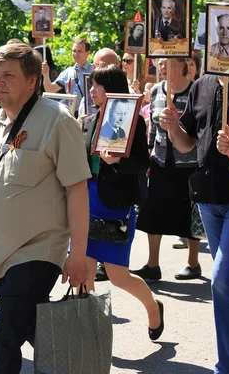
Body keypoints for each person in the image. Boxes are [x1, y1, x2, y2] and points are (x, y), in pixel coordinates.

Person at [0, 42, 90, 373]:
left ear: (32, 81)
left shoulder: (57, 121)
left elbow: (77, 189)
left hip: (39, 251)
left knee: (1, 336)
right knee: (35, 329)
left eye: (8, 75)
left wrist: (79, 253)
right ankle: (77, 365)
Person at [160, 70, 229, 373]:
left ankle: (226, 367)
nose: (224, 36)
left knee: (223, 279)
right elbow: (188, 143)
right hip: (207, 199)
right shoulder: (203, 84)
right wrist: (173, 129)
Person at [81, 64, 163, 341]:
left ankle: (153, 308)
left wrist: (118, 161)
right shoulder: (89, 121)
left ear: (112, 88)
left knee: (118, 276)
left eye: (97, 85)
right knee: (84, 270)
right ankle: (89, 332)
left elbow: (144, 162)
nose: (91, 90)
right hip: (84, 202)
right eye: (91, 85)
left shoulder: (133, 121)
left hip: (114, 204)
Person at [133, 58, 201, 282]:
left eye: (166, 63)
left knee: (189, 212)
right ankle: (153, 264)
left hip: (188, 163)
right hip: (161, 160)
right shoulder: (155, 91)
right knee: (154, 210)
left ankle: (193, 263)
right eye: (159, 63)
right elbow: (152, 128)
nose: (161, 67)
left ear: (181, 64)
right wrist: (150, 153)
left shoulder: (194, 91)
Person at [42, 38, 93, 109]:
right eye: (74, 51)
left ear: (88, 53)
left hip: (88, 115)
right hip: (71, 114)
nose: (76, 54)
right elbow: (50, 90)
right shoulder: (67, 72)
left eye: (79, 51)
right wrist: (46, 75)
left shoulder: (94, 71)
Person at [76, 47, 120, 119]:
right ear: (94, 67)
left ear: (118, 66)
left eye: (110, 65)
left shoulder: (130, 97)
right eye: (102, 66)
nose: (107, 70)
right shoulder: (87, 100)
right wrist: (84, 124)